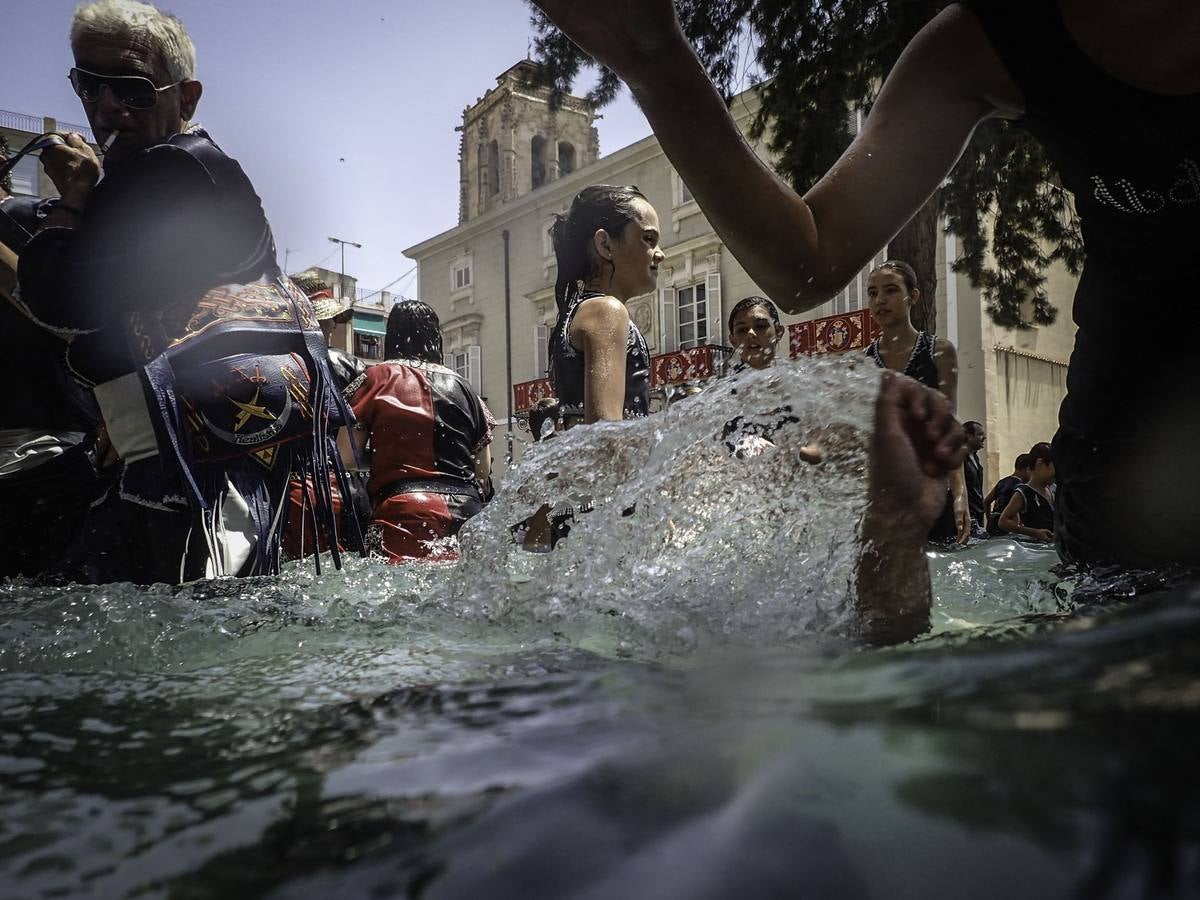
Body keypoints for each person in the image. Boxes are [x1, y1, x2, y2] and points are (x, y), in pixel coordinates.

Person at [530, 0, 1200, 572]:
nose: (662, 251)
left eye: (889, 291)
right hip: (1134, 439)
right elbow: (808, 260)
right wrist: (653, 60)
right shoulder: (986, 38)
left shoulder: (923, 357)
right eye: (745, 328)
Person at [16, 0, 355, 583]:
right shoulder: (199, 167)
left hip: (183, 473)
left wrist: (72, 198)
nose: (105, 105)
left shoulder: (165, 170)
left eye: (132, 90)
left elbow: (56, 297)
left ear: (187, 97)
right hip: (211, 463)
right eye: (87, 84)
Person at [0, 136, 103, 578]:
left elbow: (75, 325)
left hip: (39, 457)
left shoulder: (36, 219)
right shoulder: (50, 220)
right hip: (52, 457)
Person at [345, 300, 494, 562]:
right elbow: (482, 468)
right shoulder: (464, 387)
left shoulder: (375, 377)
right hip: (467, 511)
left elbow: (347, 456)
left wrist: (385, 459)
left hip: (403, 511)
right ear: (436, 337)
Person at [864, 261, 969, 544]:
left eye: (891, 291)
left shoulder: (939, 352)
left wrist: (959, 492)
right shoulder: (862, 363)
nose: (880, 300)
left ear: (913, 296)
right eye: (872, 293)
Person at [548, 185, 662, 424]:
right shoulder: (606, 311)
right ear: (605, 245)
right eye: (649, 239)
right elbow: (604, 433)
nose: (660, 254)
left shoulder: (576, 312)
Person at [999, 442, 1056, 543]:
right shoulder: (1024, 493)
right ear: (1040, 464)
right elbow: (1003, 521)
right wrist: (1034, 532)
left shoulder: (1053, 489)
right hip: (1035, 550)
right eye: (1055, 467)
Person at [984, 452, 1031, 535]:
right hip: (1007, 528)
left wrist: (989, 518)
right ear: (1027, 469)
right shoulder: (1020, 487)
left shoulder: (1002, 482)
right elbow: (1015, 512)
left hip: (993, 523)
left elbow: (986, 501)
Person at [962, 421, 987, 533]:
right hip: (967, 515)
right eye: (980, 434)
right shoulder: (960, 459)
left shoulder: (976, 459)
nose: (984, 437)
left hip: (977, 514)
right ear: (968, 436)